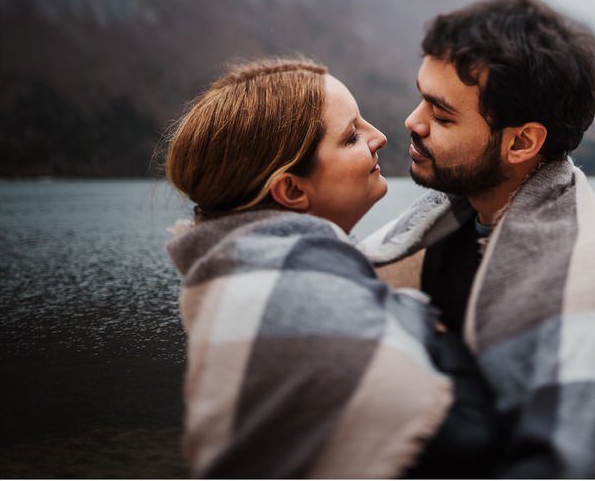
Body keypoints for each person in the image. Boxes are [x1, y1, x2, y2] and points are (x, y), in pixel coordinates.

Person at [362, 0, 595, 478]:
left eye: (442, 114)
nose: (413, 122)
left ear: (522, 142)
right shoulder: (441, 226)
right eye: (421, 98)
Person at [163, 57, 499, 478]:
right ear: (290, 188)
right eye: (351, 136)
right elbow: (465, 440)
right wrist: (429, 329)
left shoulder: (238, 264)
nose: (378, 136)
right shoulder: (293, 291)